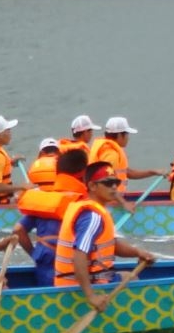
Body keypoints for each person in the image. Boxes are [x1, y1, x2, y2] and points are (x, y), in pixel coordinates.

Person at [55, 162, 156, 309]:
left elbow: (112, 245)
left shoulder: (91, 209)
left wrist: (138, 252)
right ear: (92, 186)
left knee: (126, 275)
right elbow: (79, 255)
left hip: (77, 279)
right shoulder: (92, 216)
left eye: (116, 182)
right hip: (79, 284)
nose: (114, 187)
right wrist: (91, 296)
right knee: (132, 278)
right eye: (108, 183)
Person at [14, 149, 89, 287]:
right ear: (83, 174)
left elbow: (18, 230)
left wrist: (34, 253)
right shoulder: (81, 204)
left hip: (44, 265)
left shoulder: (44, 200)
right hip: (68, 271)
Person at [89, 116, 161, 189]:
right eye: (127, 134)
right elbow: (107, 182)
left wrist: (153, 172)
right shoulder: (111, 153)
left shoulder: (107, 148)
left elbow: (126, 172)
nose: (128, 138)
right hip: (110, 198)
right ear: (120, 135)